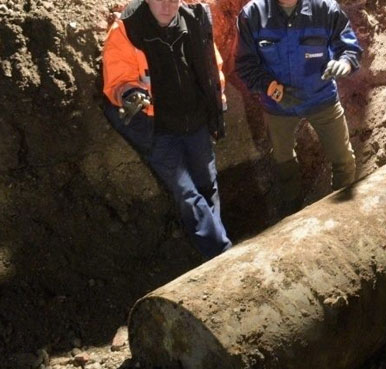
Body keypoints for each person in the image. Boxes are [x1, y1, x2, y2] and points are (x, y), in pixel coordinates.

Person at [102, 0, 232, 258]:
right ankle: (221, 252)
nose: (166, 5)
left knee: (207, 184)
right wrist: (129, 93)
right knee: (186, 192)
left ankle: (215, 242)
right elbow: (119, 80)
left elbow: (211, 66)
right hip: (157, 128)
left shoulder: (194, 20)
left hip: (194, 120)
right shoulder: (126, 30)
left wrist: (216, 104)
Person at [234, 0, 362, 214]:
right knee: (283, 161)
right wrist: (272, 88)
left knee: (344, 160)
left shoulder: (324, 8)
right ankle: (291, 213)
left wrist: (345, 63)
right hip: (278, 106)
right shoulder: (252, 14)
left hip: (321, 99)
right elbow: (244, 64)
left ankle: (342, 214)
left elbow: (349, 47)